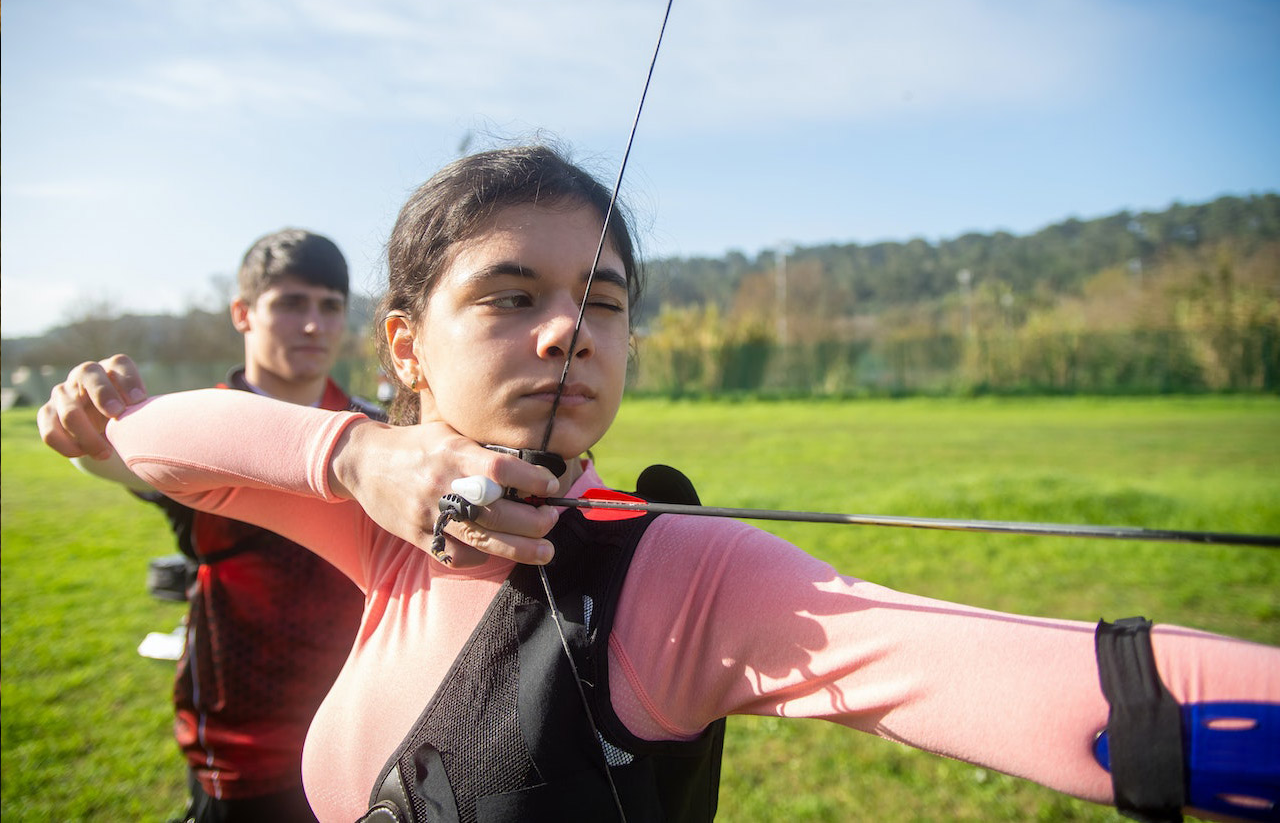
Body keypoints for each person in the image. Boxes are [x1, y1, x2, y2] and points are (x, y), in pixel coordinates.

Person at [82, 147, 1276, 823]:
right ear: (403, 345)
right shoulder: (385, 528)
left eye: (600, 302)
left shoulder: (685, 574)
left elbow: (1086, 693)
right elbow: (150, 437)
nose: (567, 332)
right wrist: (358, 454)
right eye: (510, 296)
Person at [37, 228, 553, 823]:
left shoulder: (388, 431)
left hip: (374, 741)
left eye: (330, 306)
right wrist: (84, 421)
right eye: (290, 303)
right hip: (246, 747)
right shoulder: (196, 426)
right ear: (243, 314)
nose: (314, 325)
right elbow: (110, 456)